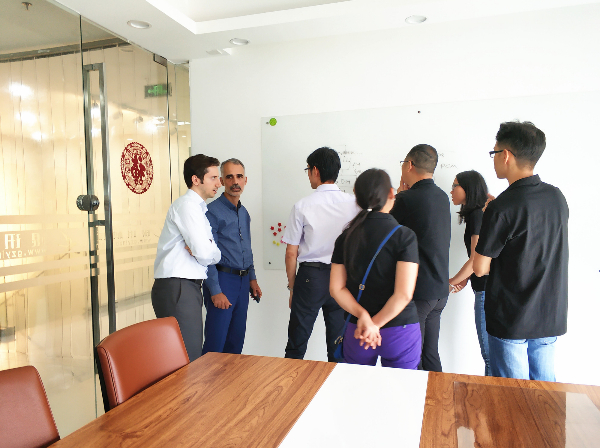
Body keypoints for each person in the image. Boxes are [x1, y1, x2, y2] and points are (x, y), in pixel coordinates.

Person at [473, 121, 568, 381]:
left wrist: (490, 218)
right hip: (549, 313)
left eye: (494, 153)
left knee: (512, 397)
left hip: (511, 317)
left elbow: (480, 268)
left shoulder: (501, 207)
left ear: (506, 155)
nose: (494, 159)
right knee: (546, 394)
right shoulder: (557, 198)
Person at [330, 169, 421, 368]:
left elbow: (336, 289)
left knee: (357, 385)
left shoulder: (345, 237)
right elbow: (403, 294)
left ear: (358, 197)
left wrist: (364, 317)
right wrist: (375, 325)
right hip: (399, 330)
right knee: (402, 386)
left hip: (358, 330)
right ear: (391, 193)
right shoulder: (405, 236)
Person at [282, 147, 360, 362]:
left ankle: (290, 382)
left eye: (308, 170)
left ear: (315, 170)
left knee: (297, 343)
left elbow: (291, 253)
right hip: (343, 277)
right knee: (338, 345)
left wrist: (292, 287)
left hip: (311, 278)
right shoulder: (354, 204)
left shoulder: (302, 206)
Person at [151, 154, 222, 361]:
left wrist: (207, 251)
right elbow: (205, 253)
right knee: (187, 358)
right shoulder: (187, 206)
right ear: (196, 179)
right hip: (178, 287)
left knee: (187, 356)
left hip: (185, 286)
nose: (219, 183)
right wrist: (207, 250)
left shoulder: (197, 208)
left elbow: (213, 254)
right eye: (213, 178)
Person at [390, 144, 451, 372]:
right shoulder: (442, 197)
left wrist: (398, 196)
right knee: (430, 354)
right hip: (439, 290)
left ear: (409, 165)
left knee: (411, 356)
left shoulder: (407, 199)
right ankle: (438, 395)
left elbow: (385, 232)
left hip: (419, 291)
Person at [202, 158, 262, 355]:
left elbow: (247, 248)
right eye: (229, 177)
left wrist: (252, 278)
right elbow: (207, 256)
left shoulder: (244, 213)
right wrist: (215, 290)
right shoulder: (211, 212)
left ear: (245, 180)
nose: (235, 181)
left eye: (239, 176)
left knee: (236, 341)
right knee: (216, 342)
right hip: (223, 280)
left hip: (243, 282)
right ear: (221, 181)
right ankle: (208, 377)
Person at [448, 170, 491, 376]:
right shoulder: (478, 214)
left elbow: (476, 259)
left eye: (455, 186)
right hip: (485, 288)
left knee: (490, 355)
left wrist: (450, 282)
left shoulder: (476, 215)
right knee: (491, 354)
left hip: (486, 291)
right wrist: (465, 279)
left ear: (468, 189)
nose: (451, 191)